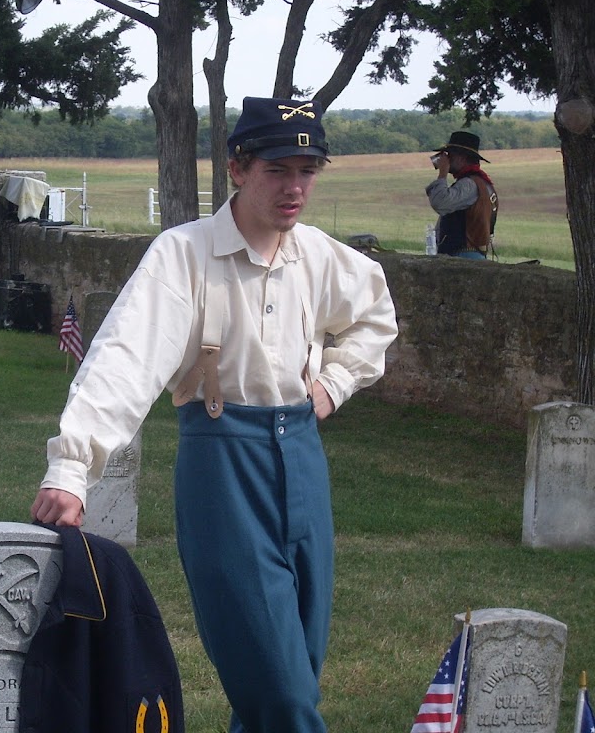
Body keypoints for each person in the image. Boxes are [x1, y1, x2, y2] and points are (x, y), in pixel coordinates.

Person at [31, 97, 398, 733]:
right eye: (278, 169)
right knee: (282, 697)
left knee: (290, 679)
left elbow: (375, 315)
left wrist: (334, 383)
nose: (295, 188)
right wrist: (72, 467)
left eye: (308, 170)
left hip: (304, 463)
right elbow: (126, 358)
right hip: (223, 465)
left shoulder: (317, 256)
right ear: (237, 166)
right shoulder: (185, 255)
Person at [426, 131, 498, 259]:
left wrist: (442, 173)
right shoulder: (480, 182)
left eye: (450, 155)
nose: (446, 159)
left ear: (461, 157)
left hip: (464, 256)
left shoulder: (469, 184)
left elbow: (440, 203)